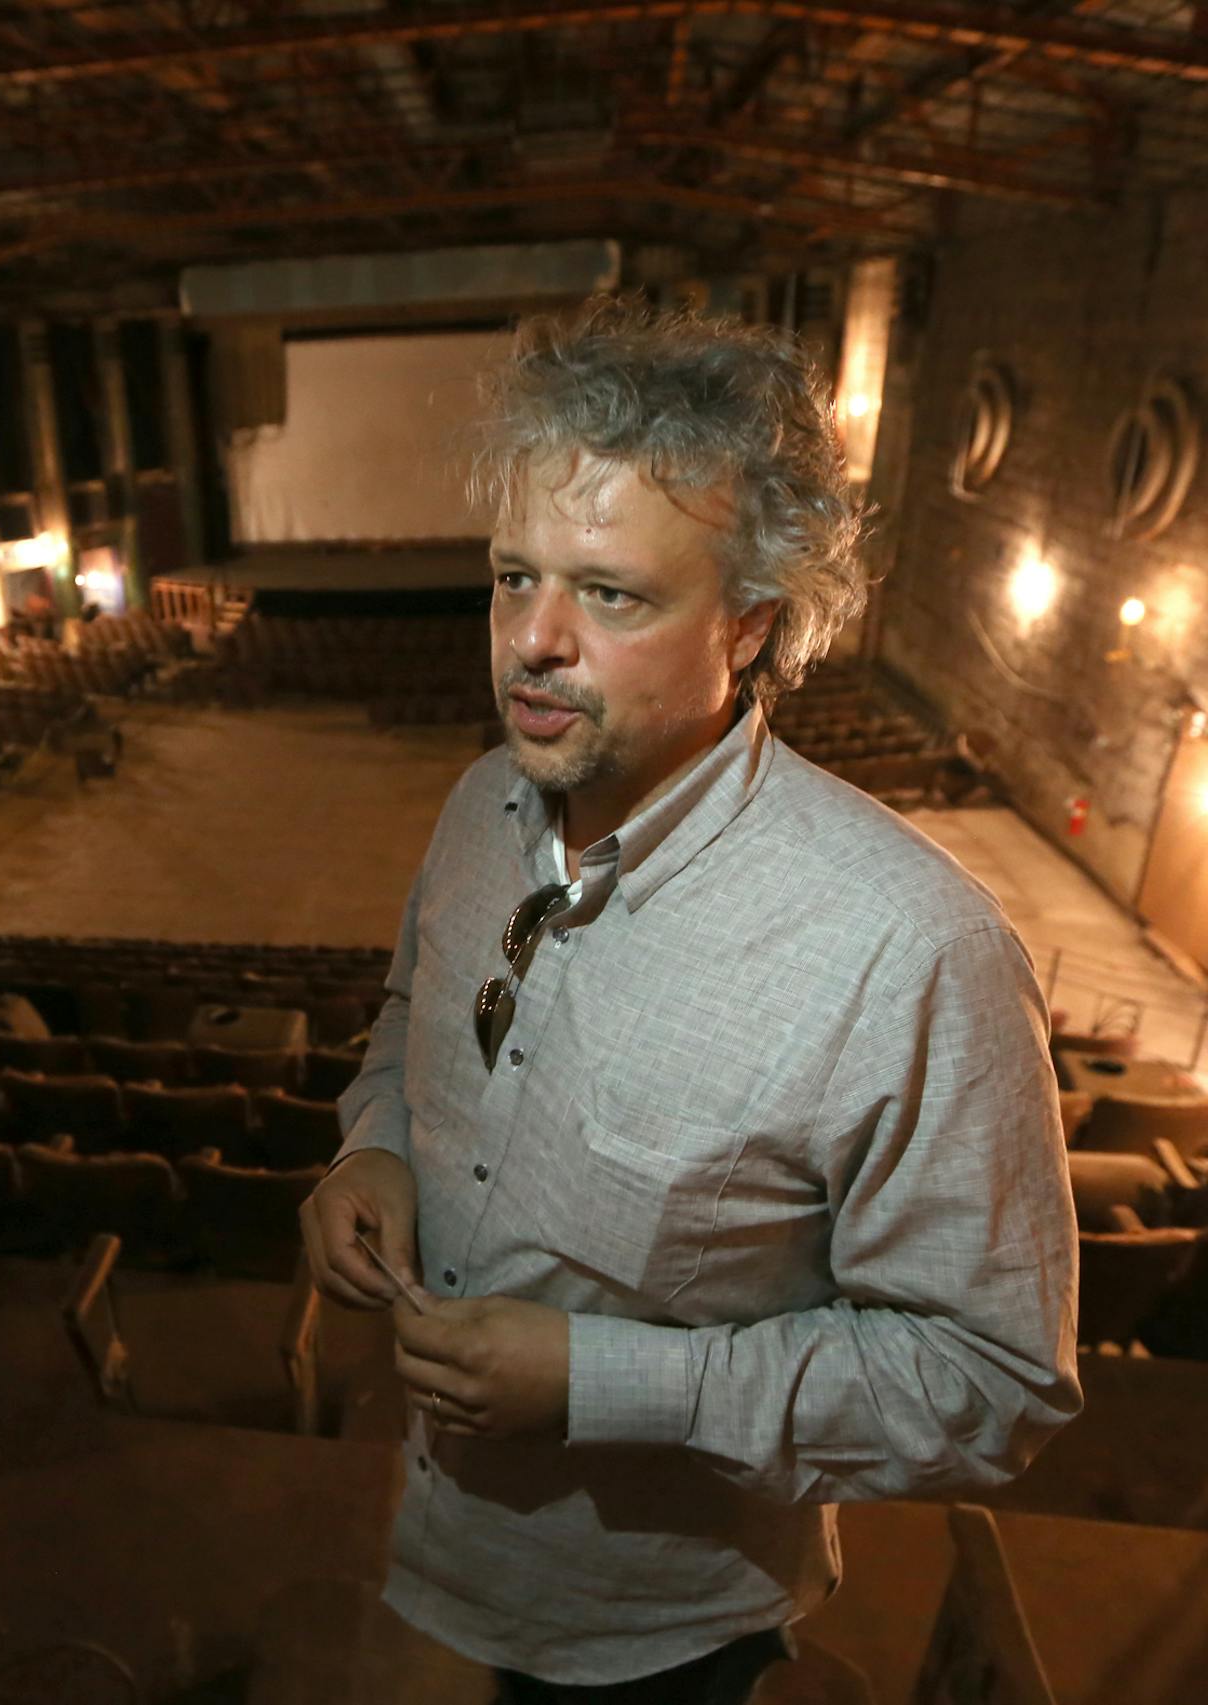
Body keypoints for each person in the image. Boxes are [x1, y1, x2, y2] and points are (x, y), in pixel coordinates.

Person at [298, 298, 1080, 1702]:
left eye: (610, 593)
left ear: (750, 626)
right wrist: (375, 1141)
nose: (532, 641)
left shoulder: (908, 948)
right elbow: (415, 1016)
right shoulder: (484, 800)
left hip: (666, 1633)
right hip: (435, 1544)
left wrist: (609, 1383)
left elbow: (990, 1380)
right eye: (511, 574)